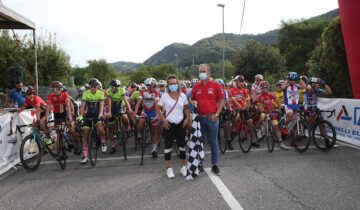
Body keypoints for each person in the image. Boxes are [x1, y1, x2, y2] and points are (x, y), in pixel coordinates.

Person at [191, 64, 224, 175]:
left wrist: (217, 114)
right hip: (200, 119)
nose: (202, 73)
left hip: (212, 118)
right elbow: (191, 99)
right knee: (200, 142)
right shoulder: (196, 86)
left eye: (204, 71)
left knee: (213, 142)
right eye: (200, 71)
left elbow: (221, 101)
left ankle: (215, 165)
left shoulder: (216, 85)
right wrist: (193, 102)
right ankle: (199, 164)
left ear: (209, 73)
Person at [157, 75, 190, 178]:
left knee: (182, 146)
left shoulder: (183, 96)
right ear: (168, 85)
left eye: (174, 83)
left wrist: (187, 118)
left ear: (178, 84)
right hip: (169, 123)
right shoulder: (164, 96)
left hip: (181, 123)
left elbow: (186, 108)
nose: (173, 85)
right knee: (168, 146)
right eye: (170, 84)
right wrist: (163, 120)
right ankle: (169, 169)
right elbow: (158, 109)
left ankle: (183, 167)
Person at [77, 78, 106, 164]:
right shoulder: (86, 93)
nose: (93, 88)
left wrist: (101, 113)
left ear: (97, 87)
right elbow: (83, 105)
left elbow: (101, 104)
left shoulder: (101, 93)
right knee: (85, 135)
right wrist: (81, 116)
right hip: (88, 115)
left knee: (100, 129)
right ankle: (85, 155)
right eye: (91, 87)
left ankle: (103, 141)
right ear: (89, 87)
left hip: (97, 115)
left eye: (95, 87)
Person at [45, 81, 80, 153]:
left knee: (71, 128)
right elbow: (48, 107)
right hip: (57, 114)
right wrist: (46, 118)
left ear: (60, 89)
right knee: (59, 133)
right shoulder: (50, 96)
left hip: (65, 113)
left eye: (57, 89)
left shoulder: (64, 94)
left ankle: (76, 143)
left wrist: (70, 117)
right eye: (53, 89)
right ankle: (62, 151)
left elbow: (68, 106)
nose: (55, 91)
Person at [228, 75, 260, 148]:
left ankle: (253, 141)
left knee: (250, 122)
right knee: (236, 118)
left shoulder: (245, 90)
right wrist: (240, 106)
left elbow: (248, 100)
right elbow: (233, 100)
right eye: (240, 81)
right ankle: (231, 136)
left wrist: (246, 106)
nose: (241, 83)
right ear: (236, 82)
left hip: (243, 108)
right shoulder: (231, 90)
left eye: (242, 81)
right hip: (235, 108)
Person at [256, 81, 289, 150]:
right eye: (263, 88)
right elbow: (258, 105)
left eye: (266, 87)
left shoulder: (271, 94)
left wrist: (279, 110)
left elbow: (278, 102)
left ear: (268, 88)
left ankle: (281, 143)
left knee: (276, 126)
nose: (264, 89)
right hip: (264, 111)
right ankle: (258, 128)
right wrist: (262, 110)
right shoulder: (259, 96)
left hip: (271, 112)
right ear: (260, 88)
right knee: (262, 116)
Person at [133, 78, 160, 158]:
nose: (155, 87)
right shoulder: (142, 92)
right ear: (148, 86)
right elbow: (138, 103)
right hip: (145, 112)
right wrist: (135, 112)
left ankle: (154, 149)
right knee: (140, 124)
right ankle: (139, 134)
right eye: (154, 86)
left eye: (155, 86)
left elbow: (157, 104)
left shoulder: (156, 92)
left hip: (153, 113)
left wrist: (158, 114)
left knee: (154, 132)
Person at [106, 79, 133, 154]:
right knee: (111, 129)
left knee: (124, 117)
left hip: (119, 107)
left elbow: (126, 101)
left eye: (113, 87)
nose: (112, 88)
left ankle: (127, 128)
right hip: (112, 107)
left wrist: (130, 109)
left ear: (117, 87)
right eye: (111, 87)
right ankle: (113, 145)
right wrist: (109, 112)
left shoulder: (122, 90)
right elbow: (109, 102)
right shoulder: (109, 91)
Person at [281, 72, 307, 147]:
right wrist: (287, 78)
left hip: (296, 105)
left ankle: (293, 140)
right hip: (288, 105)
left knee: (297, 122)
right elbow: (282, 87)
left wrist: (299, 78)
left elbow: (305, 87)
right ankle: (284, 127)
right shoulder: (286, 86)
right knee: (290, 115)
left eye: (293, 80)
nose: (292, 81)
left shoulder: (297, 86)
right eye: (291, 80)